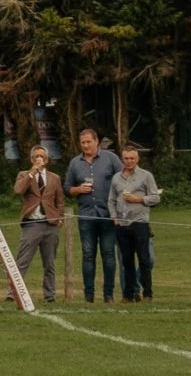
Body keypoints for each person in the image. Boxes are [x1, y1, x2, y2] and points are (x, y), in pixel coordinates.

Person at [64, 128, 119, 302]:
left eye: (89, 142)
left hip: (108, 215)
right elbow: (67, 189)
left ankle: (108, 294)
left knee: (108, 254)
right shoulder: (75, 163)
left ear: (96, 141)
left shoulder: (111, 159)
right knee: (88, 255)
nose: (86, 145)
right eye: (83, 143)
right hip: (86, 216)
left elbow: (123, 180)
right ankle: (89, 295)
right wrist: (78, 189)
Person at [12, 143, 63, 303]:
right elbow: (18, 190)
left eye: (42, 157)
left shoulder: (55, 178)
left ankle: (50, 295)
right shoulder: (24, 175)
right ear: (31, 159)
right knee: (22, 260)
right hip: (32, 224)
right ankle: (13, 292)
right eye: (36, 157)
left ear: (47, 160)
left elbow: (60, 200)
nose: (39, 159)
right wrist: (33, 172)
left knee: (49, 263)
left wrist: (59, 217)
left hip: (50, 224)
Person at [111, 146, 162, 300]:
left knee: (144, 259)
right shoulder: (116, 178)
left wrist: (139, 199)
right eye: (126, 158)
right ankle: (129, 294)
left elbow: (155, 197)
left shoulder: (146, 176)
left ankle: (147, 293)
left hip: (140, 223)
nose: (129, 161)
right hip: (122, 224)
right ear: (122, 159)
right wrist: (114, 217)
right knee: (127, 261)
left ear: (137, 159)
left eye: (132, 158)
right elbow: (111, 200)